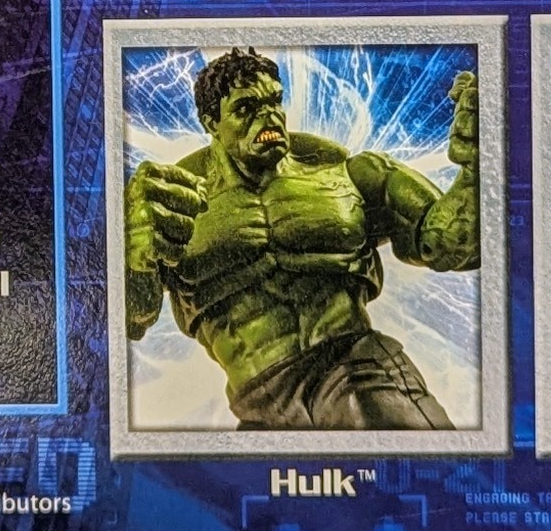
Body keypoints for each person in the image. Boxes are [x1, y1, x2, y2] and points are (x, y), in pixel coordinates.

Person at [125, 46, 478, 431]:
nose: (268, 115)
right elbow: (133, 316)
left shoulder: (348, 174)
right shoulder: (173, 202)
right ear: (212, 122)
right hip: (258, 404)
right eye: (246, 108)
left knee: (378, 423)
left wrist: (476, 168)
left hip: (357, 369)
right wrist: (133, 258)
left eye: (274, 101)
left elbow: (446, 244)